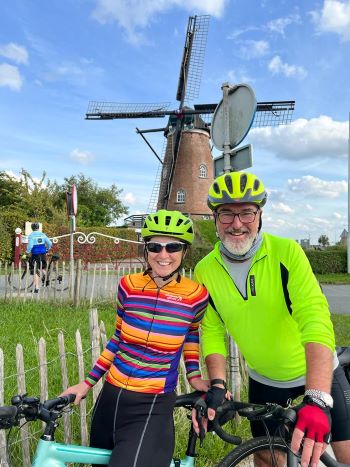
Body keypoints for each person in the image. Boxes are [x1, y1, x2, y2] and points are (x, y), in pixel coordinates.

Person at [192, 171, 350, 466]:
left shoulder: (286, 252)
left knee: (345, 453)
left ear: (260, 214)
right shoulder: (205, 269)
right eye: (226, 214)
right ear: (215, 218)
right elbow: (212, 329)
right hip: (264, 381)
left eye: (247, 212)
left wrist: (316, 397)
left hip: (315, 375)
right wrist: (217, 383)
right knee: (266, 459)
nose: (237, 224)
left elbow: (315, 320)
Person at [61, 209, 209, 467]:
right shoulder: (128, 285)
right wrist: (86, 383)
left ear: (184, 251)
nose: (163, 255)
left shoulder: (196, 295)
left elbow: (191, 334)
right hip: (111, 398)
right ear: (146, 249)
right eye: (155, 246)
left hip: (151, 404)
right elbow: (118, 338)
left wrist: (194, 376)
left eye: (173, 246)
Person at [25, 222, 52, 293]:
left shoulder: (31, 235)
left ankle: (36, 288)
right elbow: (49, 243)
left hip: (35, 254)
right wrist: (47, 249)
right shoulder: (43, 234)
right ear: (38, 228)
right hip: (43, 253)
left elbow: (30, 246)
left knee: (34, 270)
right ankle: (47, 279)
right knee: (42, 267)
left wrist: (27, 252)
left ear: (32, 228)